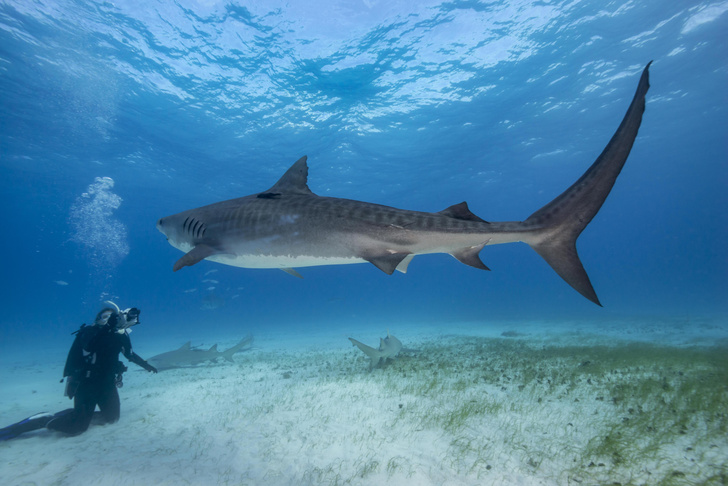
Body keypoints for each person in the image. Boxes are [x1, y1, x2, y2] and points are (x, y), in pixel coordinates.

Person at [0, 302, 157, 440]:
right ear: (100, 318)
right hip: (86, 384)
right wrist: (106, 329)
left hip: (107, 383)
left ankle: (78, 413)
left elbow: (129, 354)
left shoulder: (120, 335)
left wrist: (146, 365)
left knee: (112, 419)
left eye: (111, 317)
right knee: (78, 428)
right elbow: (88, 346)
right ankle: (44, 419)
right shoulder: (89, 332)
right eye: (105, 317)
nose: (108, 320)